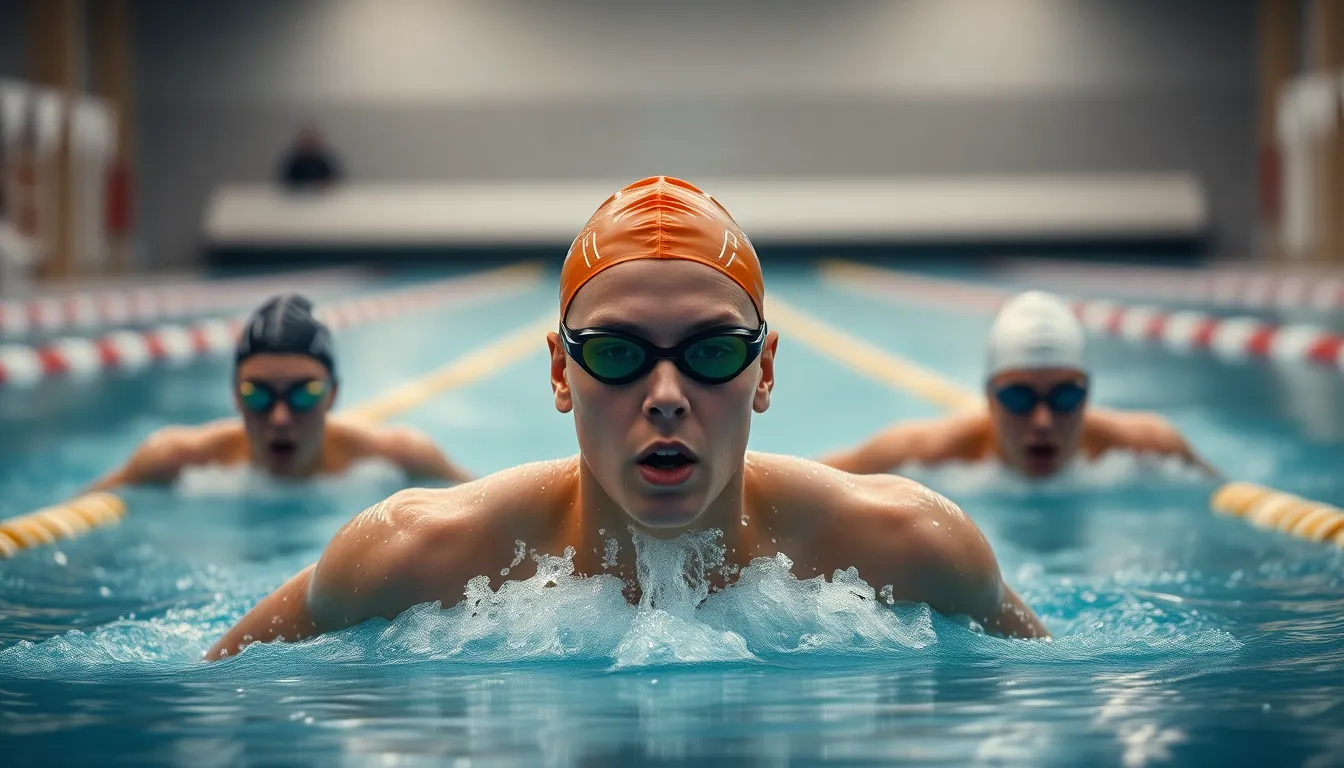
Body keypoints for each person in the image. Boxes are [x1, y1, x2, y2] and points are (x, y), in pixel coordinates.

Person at [205, 176, 1048, 662]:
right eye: (616, 352)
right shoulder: (409, 555)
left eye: (714, 351)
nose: (668, 392)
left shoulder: (914, 546)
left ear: (766, 372)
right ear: (559, 373)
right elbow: (208, 700)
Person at [87, 294, 471, 492]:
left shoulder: (403, 458)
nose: (281, 417)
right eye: (258, 395)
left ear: (333, 396)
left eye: (304, 395)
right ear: (235, 396)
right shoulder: (171, 460)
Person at [819, 290, 1217, 479]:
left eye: (1064, 396)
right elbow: (805, 480)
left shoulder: (1154, 448)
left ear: (1087, 396)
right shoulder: (920, 454)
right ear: (990, 399)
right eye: (1018, 397)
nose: (1042, 420)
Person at [278, 125, 341, 191]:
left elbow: (334, 179)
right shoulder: (294, 163)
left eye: (311, 141)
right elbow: (286, 182)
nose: (309, 145)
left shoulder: (323, 162)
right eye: (306, 142)